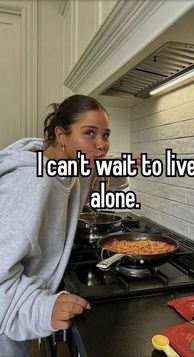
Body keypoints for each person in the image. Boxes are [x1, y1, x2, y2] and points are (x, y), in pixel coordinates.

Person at [0, 94, 111, 357]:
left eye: (105, 135)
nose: (102, 144)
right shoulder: (31, 182)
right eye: (90, 133)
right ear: (61, 135)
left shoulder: (70, 167)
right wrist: (42, 308)